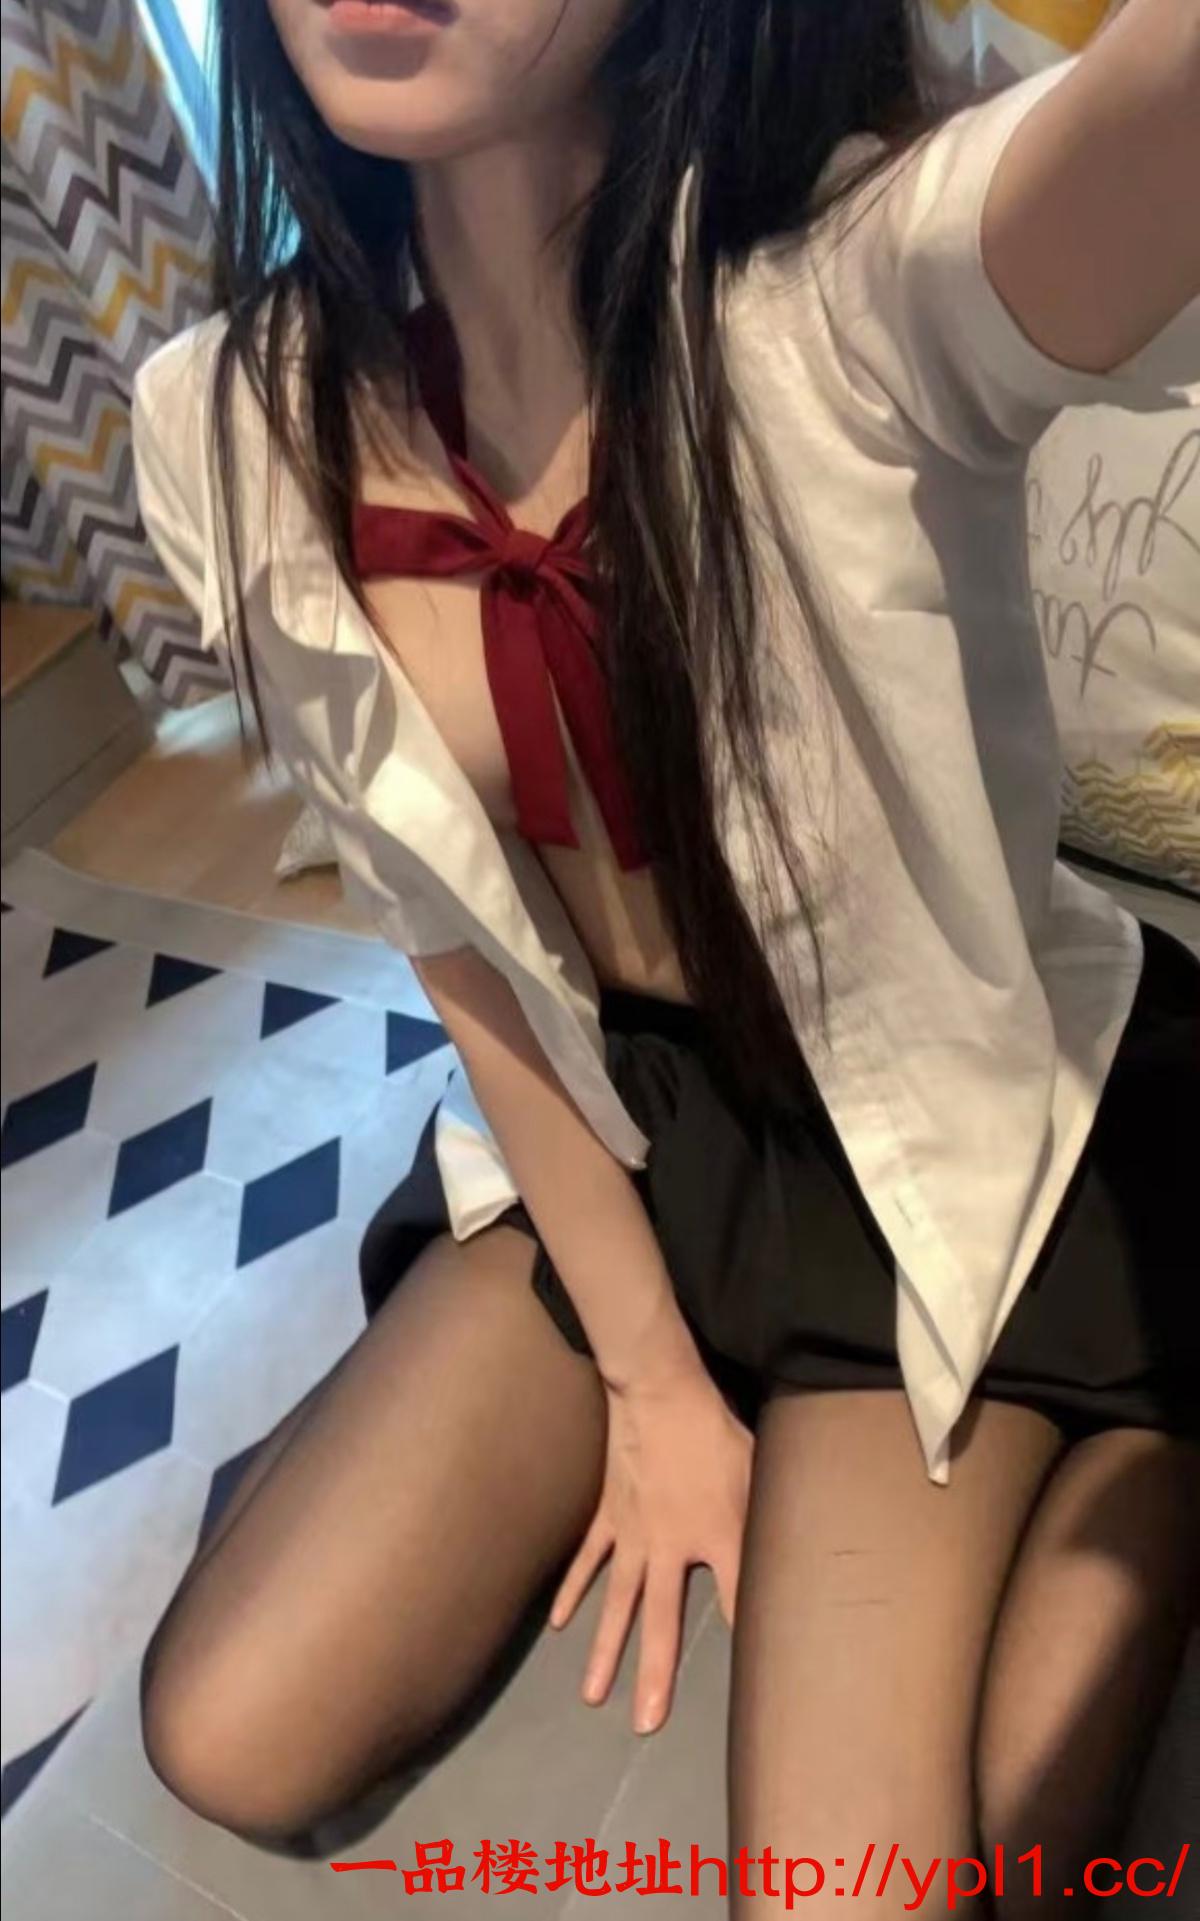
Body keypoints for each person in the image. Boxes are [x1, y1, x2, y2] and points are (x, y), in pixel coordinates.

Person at [130, 0, 1200, 1910]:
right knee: (228, 1722)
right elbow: (450, 934)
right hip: (611, 1124)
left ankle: (1149, 1373)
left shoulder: (853, 295)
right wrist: (647, 1378)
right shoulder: (228, 421)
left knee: (894, 1873)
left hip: (912, 1130)